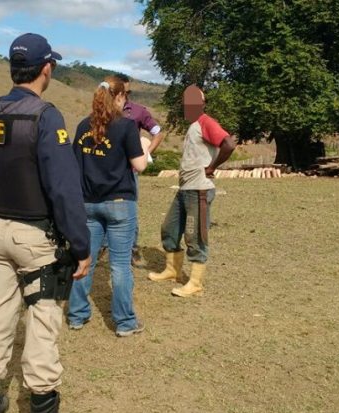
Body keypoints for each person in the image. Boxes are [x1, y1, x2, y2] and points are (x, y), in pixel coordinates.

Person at [0, 32, 91, 413]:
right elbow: (63, 188)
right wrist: (80, 244)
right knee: (42, 323)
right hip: (36, 237)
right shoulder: (45, 117)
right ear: (46, 68)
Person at [68, 76, 148, 336]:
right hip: (120, 205)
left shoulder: (82, 127)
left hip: (88, 204)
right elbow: (140, 166)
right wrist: (145, 148)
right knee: (120, 264)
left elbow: (73, 164)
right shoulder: (125, 127)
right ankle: (124, 322)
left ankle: (77, 315)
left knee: (85, 261)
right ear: (119, 97)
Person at [148, 84, 235, 297]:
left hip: (199, 190)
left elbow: (229, 144)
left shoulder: (206, 122)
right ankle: (172, 270)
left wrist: (213, 167)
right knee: (169, 228)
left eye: (193, 102)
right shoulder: (193, 125)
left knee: (195, 235)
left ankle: (195, 283)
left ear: (202, 104)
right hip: (185, 189)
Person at [113, 73, 166, 268]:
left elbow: (157, 133)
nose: (124, 95)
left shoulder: (138, 111)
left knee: (130, 211)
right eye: (120, 92)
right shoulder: (104, 110)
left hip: (129, 172)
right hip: (105, 171)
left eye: (127, 92)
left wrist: (145, 155)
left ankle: (132, 251)